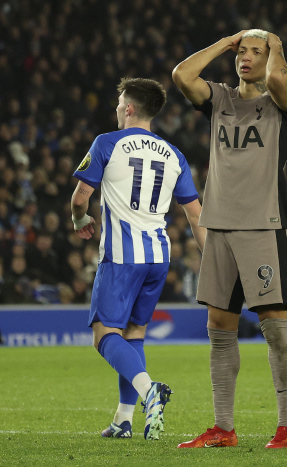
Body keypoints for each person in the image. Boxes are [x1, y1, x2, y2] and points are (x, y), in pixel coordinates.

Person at [172, 29, 287, 449]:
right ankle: (223, 428)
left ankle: (286, 426)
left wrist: (276, 45)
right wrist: (226, 42)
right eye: (242, 53)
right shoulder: (222, 99)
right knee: (219, 329)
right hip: (219, 227)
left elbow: (280, 82)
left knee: (275, 330)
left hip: (263, 226)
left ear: (272, 57)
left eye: (255, 53)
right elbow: (181, 75)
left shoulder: (285, 103)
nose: (245, 58)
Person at [70, 77, 206, 440]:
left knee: (103, 335)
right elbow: (195, 214)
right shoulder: (174, 154)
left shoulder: (107, 143)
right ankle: (123, 419)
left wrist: (79, 219)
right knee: (134, 333)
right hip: (159, 257)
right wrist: (211, 258)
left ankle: (150, 392)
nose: (116, 109)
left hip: (122, 256)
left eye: (119, 104)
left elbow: (81, 196)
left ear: (129, 108)